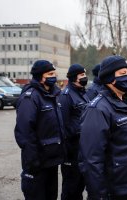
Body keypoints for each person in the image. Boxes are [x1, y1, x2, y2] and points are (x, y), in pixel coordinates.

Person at [79, 55, 127, 200]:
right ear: (110, 78)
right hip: (114, 189)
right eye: (122, 74)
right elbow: (92, 159)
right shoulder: (97, 109)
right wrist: (98, 194)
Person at [14, 60, 65, 200]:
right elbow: (24, 133)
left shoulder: (53, 96)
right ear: (39, 76)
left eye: (54, 73)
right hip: (37, 165)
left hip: (52, 162)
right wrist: (33, 161)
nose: (53, 76)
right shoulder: (30, 97)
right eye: (50, 74)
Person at [60, 64, 90, 200]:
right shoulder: (66, 96)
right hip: (72, 150)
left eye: (85, 74)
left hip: (83, 148)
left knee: (80, 186)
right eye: (82, 75)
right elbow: (63, 125)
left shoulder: (83, 93)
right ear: (74, 78)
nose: (85, 77)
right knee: (71, 189)